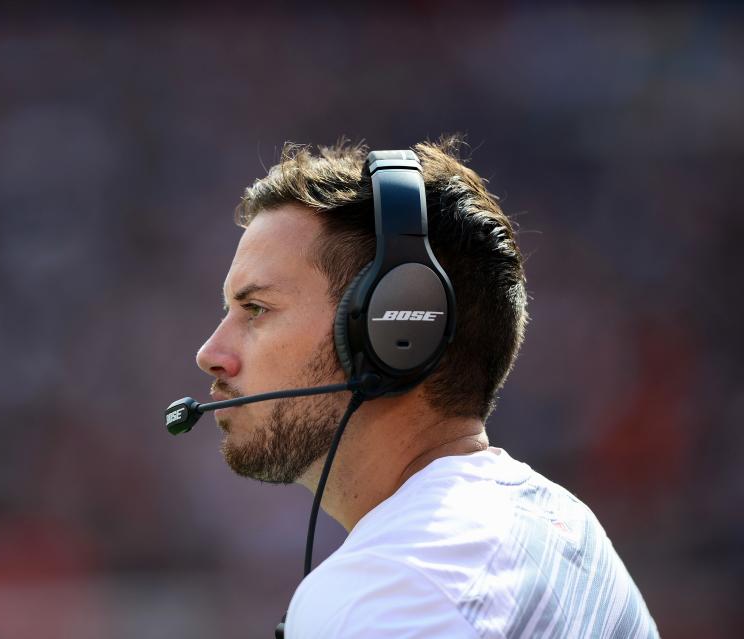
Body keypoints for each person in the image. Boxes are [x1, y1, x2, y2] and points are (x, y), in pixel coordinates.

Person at [194, 139, 659, 638]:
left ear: (392, 330)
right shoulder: (567, 524)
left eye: (257, 309)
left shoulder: (397, 590)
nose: (210, 354)